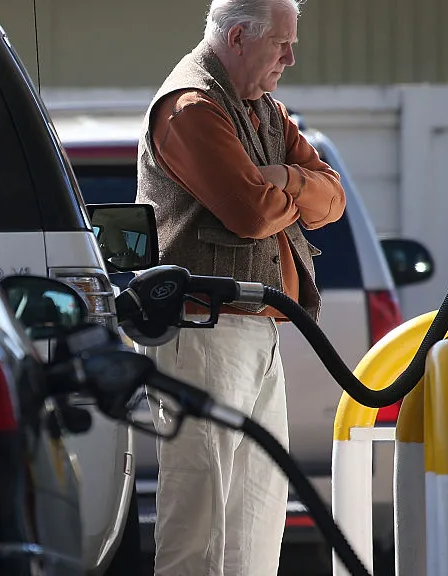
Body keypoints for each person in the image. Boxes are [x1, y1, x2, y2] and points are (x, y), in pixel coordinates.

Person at [134, 0, 347, 574]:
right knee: (199, 516)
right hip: (202, 332)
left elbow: (335, 198)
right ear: (236, 37)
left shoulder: (265, 111)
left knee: (257, 512)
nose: (291, 57)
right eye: (280, 43)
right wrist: (291, 190)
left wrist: (285, 179)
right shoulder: (191, 108)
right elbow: (251, 214)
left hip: (253, 329)